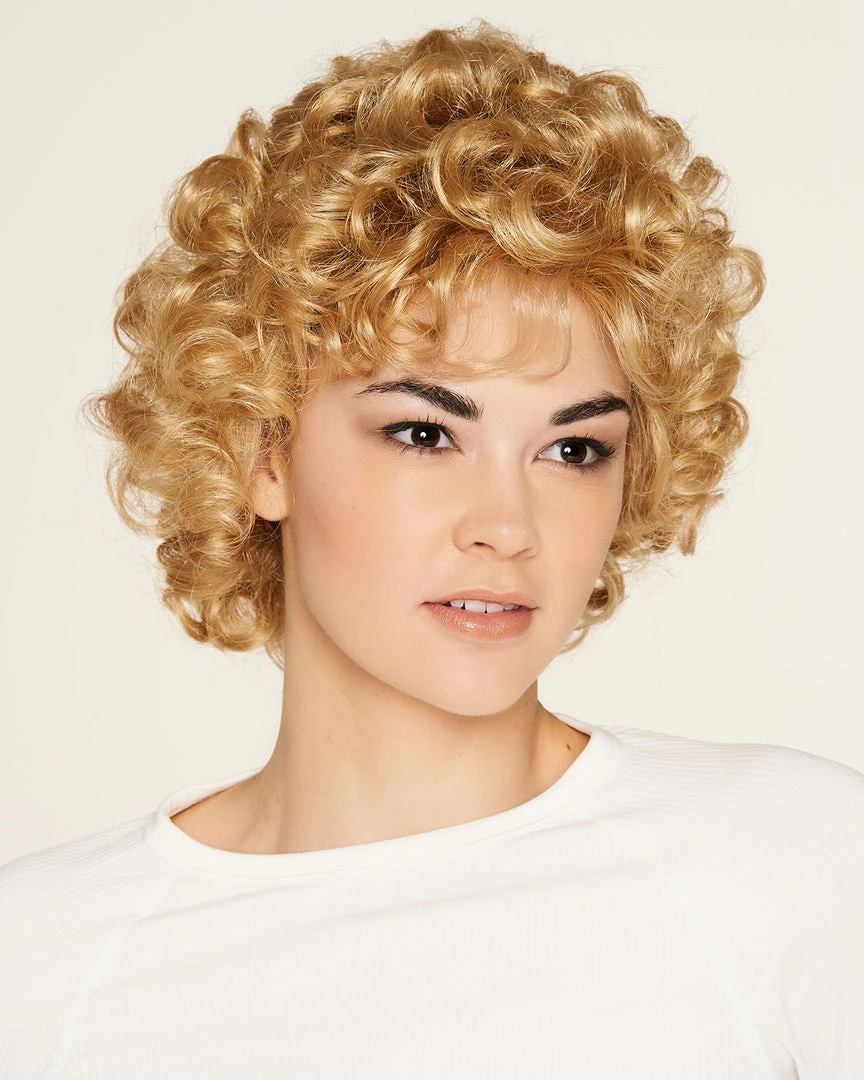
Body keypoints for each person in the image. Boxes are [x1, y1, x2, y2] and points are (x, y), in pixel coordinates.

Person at [2, 20, 862, 1079]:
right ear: (262, 448)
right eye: (424, 433)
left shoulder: (793, 870)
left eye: (574, 449)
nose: (507, 524)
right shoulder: (42, 970)